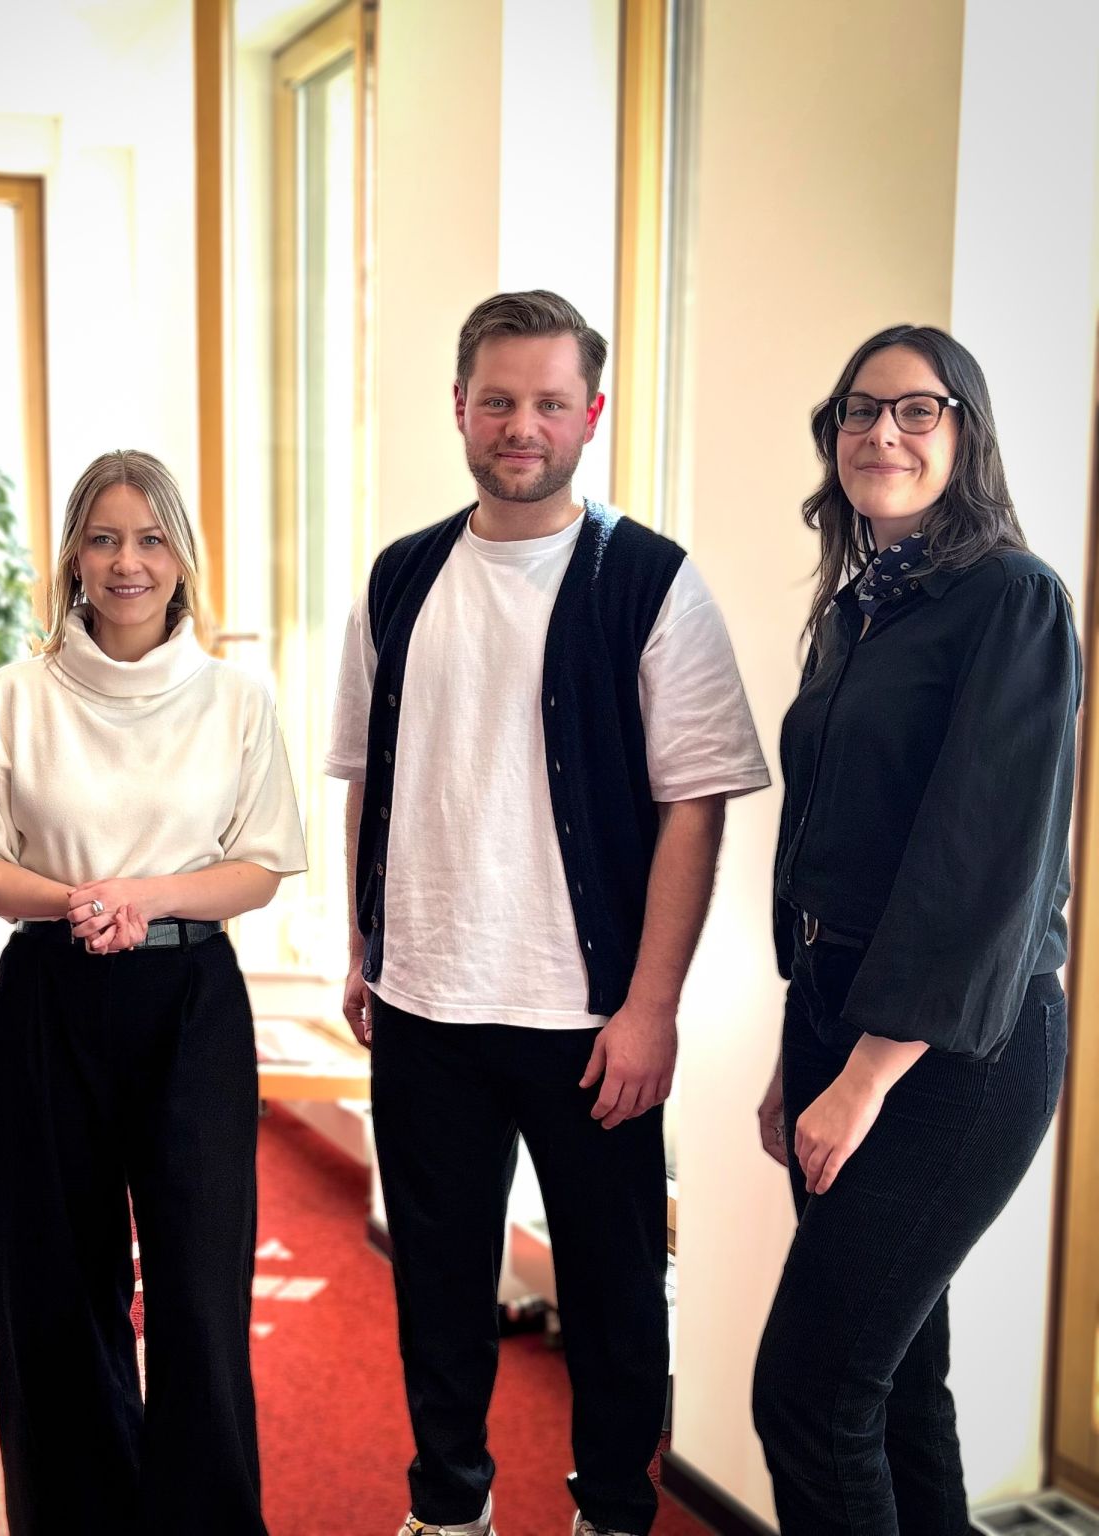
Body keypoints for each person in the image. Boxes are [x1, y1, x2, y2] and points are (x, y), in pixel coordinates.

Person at [326, 290, 770, 1536]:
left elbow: (696, 806)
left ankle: (616, 1512)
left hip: (590, 1021)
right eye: (499, 400)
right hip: (424, 1006)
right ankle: (450, 1507)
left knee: (620, 1296)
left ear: (593, 413)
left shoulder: (653, 584)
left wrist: (651, 1009)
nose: (522, 425)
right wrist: (364, 952)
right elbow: (368, 774)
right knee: (438, 1287)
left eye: (549, 402)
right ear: (459, 408)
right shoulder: (401, 576)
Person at [0, 448, 306, 1534]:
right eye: (103, 537)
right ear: (74, 559)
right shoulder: (16, 694)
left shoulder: (235, 698)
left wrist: (141, 895)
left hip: (190, 1001)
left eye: (150, 538)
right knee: (58, 1288)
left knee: (197, 1295)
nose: (127, 560)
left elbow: (265, 862)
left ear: (182, 559)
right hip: (52, 1000)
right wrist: (81, 905)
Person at [752, 325, 1080, 1533]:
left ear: (965, 434)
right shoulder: (862, 610)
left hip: (955, 1051)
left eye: (916, 410)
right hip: (839, 1014)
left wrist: (867, 1076)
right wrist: (804, 1051)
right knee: (892, 1395)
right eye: (857, 411)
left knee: (810, 1394)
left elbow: (977, 870)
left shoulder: (1014, 603)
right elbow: (825, 838)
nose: (881, 433)